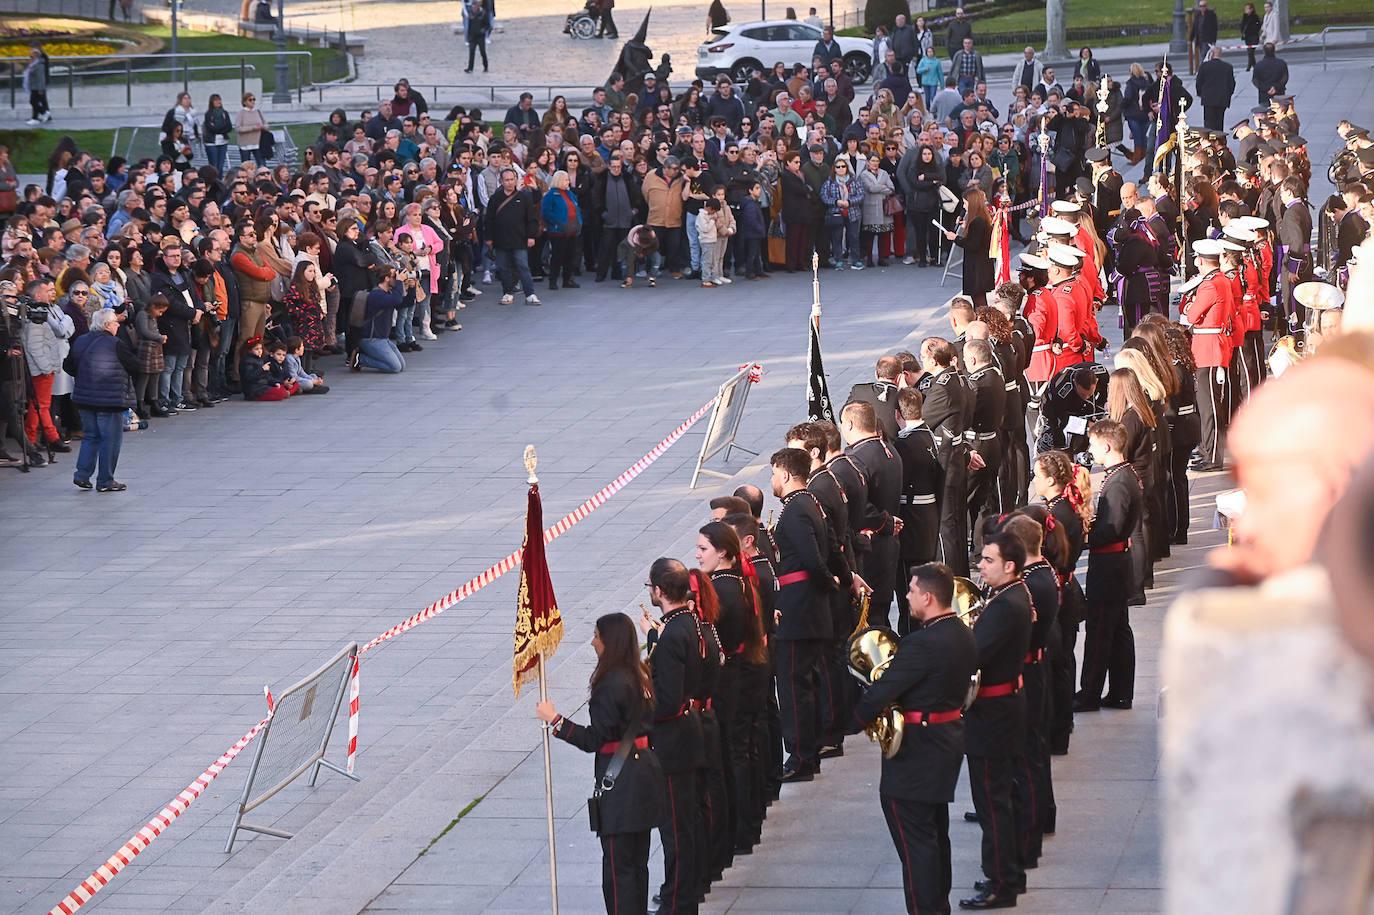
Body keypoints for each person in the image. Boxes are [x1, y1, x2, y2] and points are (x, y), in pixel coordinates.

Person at [853, 562, 978, 915]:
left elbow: (884, 691)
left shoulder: (922, 643)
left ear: (927, 596)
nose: (906, 596)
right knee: (934, 834)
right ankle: (938, 905)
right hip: (944, 743)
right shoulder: (962, 632)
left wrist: (856, 718)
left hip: (917, 752)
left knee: (916, 843)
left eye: (910, 591)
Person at [537, 612, 663, 915]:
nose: (593, 642)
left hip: (622, 784)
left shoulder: (611, 683)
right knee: (637, 865)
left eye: (597, 636)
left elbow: (595, 739)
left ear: (610, 642)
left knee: (618, 871)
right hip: (644, 773)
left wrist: (556, 721)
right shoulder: (641, 674)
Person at [960, 531, 1032, 910]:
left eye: (988, 561)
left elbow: (974, 653)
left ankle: (1001, 881)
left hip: (994, 716)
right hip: (1001, 710)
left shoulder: (1006, 605)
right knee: (998, 797)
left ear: (1009, 566)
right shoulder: (1008, 595)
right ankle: (1008, 872)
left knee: (992, 801)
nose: (981, 566)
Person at [640, 558, 706, 915]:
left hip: (673, 741)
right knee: (685, 822)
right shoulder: (687, 623)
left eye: (650, 586)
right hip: (688, 731)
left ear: (660, 590)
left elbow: (665, 700)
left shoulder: (673, 633)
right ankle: (682, 893)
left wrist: (642, 715)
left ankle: (677, 901)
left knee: (675, 829)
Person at [769, 446, 837, 782]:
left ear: (784, 474)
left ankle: (799, 756)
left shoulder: (795, 509)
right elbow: (834, 547)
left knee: (793, 685)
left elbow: (813, 559)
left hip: (799, 608)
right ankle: (807, 753)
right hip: (810, 607)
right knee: (805, 683)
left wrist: (829, 584)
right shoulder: (811, 503)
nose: (772, 480)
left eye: (773, 474)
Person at [67, 307, 137, 491]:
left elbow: (68, 365)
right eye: (115, 322)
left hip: (84, 398)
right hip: (110, 399)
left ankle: (82, 475)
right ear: (107, 325)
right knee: (110, 439)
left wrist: (84, 377)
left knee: (90, 436)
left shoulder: (81, 341)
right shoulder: (116, 343)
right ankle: (105, 480)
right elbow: (134, 366)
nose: (117, 325)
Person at [485, 168, 542, 306]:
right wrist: (489, 238)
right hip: (501, 239)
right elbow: (489, 219)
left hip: (520, 239)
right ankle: (507, 293)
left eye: (512, 179)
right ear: (501, 181)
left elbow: (532, 219)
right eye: (507, 180)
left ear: (516, 180)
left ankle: (530, 294)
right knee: (503, 267)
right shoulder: (495, 198)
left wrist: (531, 236)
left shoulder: (524, 197)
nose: (510, 183)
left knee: (523, 266)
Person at [946, 188, 994, 307]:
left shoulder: (977, 221)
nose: (964, 206)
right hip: (980, 264)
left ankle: (984, 322)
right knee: (978, 298)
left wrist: (956, 238)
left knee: (979, 300)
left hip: (978, 266)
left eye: (965, 203)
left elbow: (972, 245)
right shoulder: (980, 219)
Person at [1195, 47, 1236, 131]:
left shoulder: (1204, 66)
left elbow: (1199, 82)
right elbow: (1231, 84)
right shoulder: (1228, 67)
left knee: (1209, 123)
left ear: (1211, 54)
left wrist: (1200, 94)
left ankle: (1210, 140)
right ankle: (1219, 140)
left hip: (1208, 99)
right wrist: (1228, 94)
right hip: (1222, 99)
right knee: (1219, 122)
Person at [236, 92, 269, 167]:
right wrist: (252, 128)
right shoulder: (241, 113)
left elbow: (266, 125)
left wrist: (262, 127)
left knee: (262, 164)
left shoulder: (258, 111)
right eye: (250, 100)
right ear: (244, 102)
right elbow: (238, 128)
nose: (253, 101)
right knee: (246, 166)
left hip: (258, 143)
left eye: (254, 99)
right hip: (245, 144)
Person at [1251, 42, 1288, 107]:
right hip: (1279, 93)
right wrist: (1275, 87)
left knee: (1265, 114)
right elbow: (1285, 78)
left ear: (1264, 51)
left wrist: (1265, 88)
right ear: (1274, 50)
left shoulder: (1259, 65)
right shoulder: (1281, 63)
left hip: (1264, 95)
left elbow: (1255, 80)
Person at [22, 45, 50, 126]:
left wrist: (41, 88)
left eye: (32, 55)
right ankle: (41, 114)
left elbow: (41, 77)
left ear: (36, 55)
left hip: (38, 87)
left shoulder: (39, 64)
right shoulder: (34, 64)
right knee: (34, 102)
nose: (30, 57)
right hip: (33, 86)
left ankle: (38, 116)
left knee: (33, 101)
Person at [463, 0, 491, 74]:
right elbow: (469, 26)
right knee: (471, 52)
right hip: (472, 36)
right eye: (473, 6)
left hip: (480, 36)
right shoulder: (471, 14)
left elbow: (488, 25)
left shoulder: (483, 13)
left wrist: (483, 30)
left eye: (475, 6)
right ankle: (470, 68)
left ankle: (485, 66)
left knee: (482, 52)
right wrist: (468, 36)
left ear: (478, 6)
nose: (473, 8)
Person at [1240, 2, 1262, 71]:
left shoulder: (1255, 17)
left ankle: (1250, 66)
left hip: (1254, 37)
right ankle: (1254, 66)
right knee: (1250, 52)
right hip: (1247, 37)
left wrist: (1251, 30)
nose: (1246, 10)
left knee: (1250, 52)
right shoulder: (1245, 16)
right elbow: (1242, 25)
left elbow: (1257, 27)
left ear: (1251, 9)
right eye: (1245, 9)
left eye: (1247, 9)